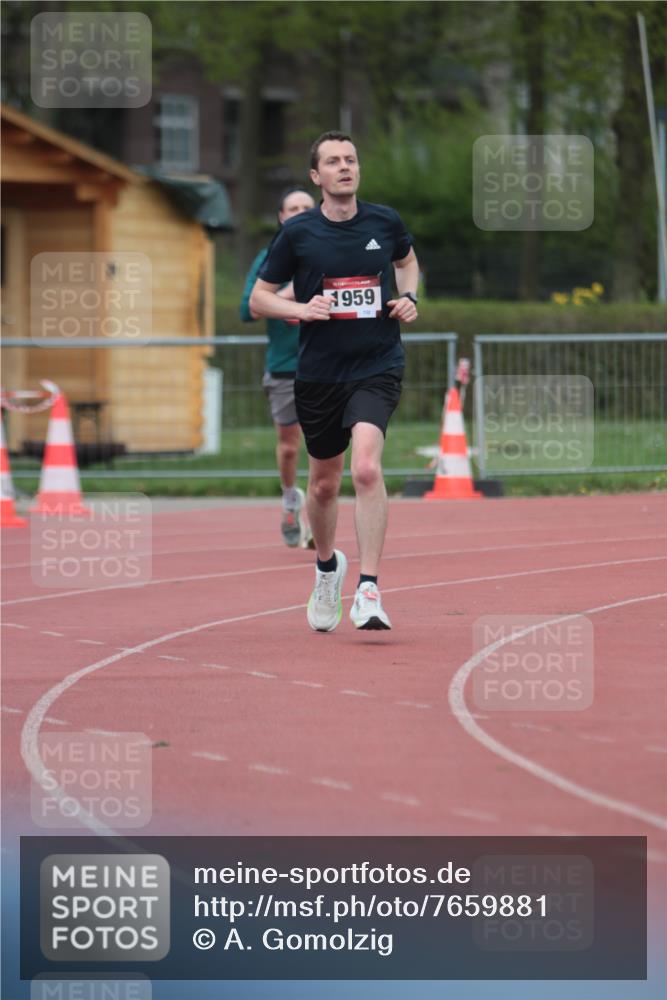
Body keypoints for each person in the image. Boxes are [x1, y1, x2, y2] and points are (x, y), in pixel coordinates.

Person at [250, 131, 419, 631]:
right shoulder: (298, 233)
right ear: (316, 176)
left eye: (351, 158)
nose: (345, 166)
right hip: (320, 374)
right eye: (333, 161)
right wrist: (302, 308)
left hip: (377, 364)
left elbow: (407, 263)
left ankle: (368, 588)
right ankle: (327, 570)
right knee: (323, 486)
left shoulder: (385, 221)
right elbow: (260, 298)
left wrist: (409, 298)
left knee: (366, 469)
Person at [240, 187, 316, 547]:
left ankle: (318, 508)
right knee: (289, 446)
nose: (300, 212)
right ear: (282, 218)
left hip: (329, 363)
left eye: (307, 207)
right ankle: (290, 499)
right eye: (293, 208)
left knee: (325, 444)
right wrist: (289, 293)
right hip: (286, 366)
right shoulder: (269, 257)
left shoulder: (331, 252)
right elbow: (249, 309)